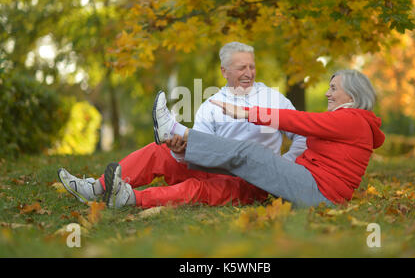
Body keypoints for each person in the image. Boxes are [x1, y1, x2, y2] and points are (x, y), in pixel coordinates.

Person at [58, 42, 307, 209]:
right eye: (242, 67)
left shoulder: (273, 99)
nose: (249, 72)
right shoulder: (212, 104)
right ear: (224, 71)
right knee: (159, 151)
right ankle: (97, 188)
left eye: (252, 66)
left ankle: (130, 198)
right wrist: (179, 150)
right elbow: (203, 154)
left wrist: (287, 163)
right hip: (219, 168)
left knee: (196, 188)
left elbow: (302, 137)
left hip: (254, 180)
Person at [114, 69, 385, 208]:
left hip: (318, 192)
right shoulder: (351, 121)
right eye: (328, 87)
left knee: (249, 154)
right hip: (308, 185)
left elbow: (300, 122)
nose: (327, 93)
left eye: (333, 88)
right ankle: (131, 195)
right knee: (235, 173)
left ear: (352, 93)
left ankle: (175, 131)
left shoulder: (353, 119)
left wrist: (246, 113)